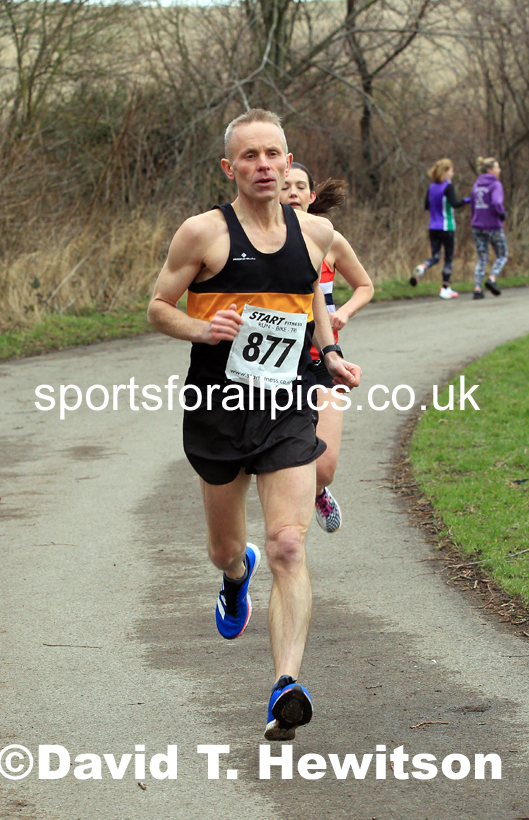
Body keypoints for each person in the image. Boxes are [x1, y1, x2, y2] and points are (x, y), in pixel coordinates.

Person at [147, 109, 362, 741]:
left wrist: (329, 358)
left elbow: (314, 306)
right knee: (227, 549)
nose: (264, 166)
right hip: (219, 409)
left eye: (274, 155)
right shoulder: (202, 234)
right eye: (250, 157)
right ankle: (232, 573)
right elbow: (157, 308)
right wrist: (199, 327)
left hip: (290, 403)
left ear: (289, 161)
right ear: (229, 167)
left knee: (289, 544)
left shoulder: (316, 234)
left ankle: (285, 687)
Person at [280, 162, 373, 533]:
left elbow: (365, 285)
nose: (292, 193)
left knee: (325, 465)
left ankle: (318, 488)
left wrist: (344, 312)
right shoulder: (256, 241)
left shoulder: (329, 240)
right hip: (281, 363)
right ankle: (290, 539)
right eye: (286, 186)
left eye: (300, 187)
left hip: (324, 356)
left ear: (312, 196)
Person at [410, 157, 470, 298]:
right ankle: (445, 288)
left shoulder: (431, 187)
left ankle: (422, 267)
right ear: (445, 172)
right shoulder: (448, 187)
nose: (453, 173)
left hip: (433, 227)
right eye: (451, 171)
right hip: (447, 226)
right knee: (448, 258)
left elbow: (426, 206)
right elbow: (455, 204)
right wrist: (468, 200)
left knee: (435, 256)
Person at [470, 156, 507, 300]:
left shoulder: (476, 185)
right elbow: (497, 203)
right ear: (490, 170)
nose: (500, 170)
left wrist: (475, 219)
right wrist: (502, 214)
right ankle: (492, 278)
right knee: (502, 254)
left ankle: (477, 288)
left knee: (482, 257)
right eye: (497, 167)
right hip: (493, 226)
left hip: (477, 226)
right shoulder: (495, 185)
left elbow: (473, 205)